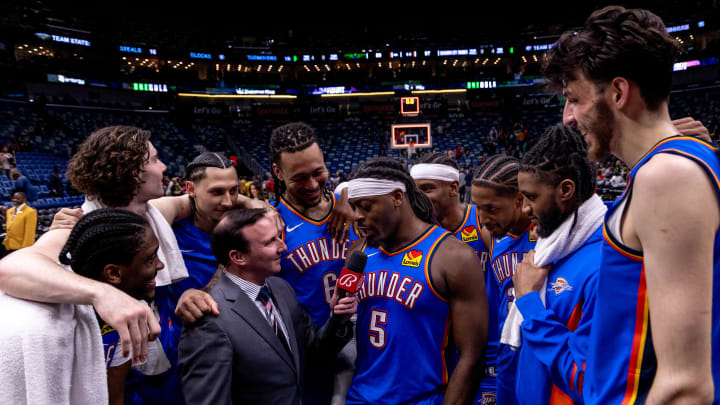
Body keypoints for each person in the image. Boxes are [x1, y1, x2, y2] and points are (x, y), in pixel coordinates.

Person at [544, 6, 720, 403]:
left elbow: (685, 386)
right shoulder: (670, 168)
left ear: (619, 93)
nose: (568, 118)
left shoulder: (667, 176)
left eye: (574, 99)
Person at [345, 157, 488, 404]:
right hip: (360, 396)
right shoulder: (357, 252)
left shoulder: (454, 257)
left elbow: (472, 355)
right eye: (353, 207)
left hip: (422, 397)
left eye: (366, 206)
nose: (357, 216)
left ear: (398, 197)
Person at [179, 208, 357, 405]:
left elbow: (315, 351)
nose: (283, 247)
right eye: (270, 242)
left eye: (278, 237)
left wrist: (338, 322)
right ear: (238, 257)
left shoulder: (281, 289)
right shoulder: (209, 319)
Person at [510, 124, 604, 403]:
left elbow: (586, 380)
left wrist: (529, 303)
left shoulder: (603, 266)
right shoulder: (551, 248)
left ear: (565, 189)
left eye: (532, 197)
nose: (525, 209)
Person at [269, 122, 358, 405]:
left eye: (318, 172)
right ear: (277, 173)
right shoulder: (271, 223)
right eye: (299, 177)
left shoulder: (357, 210)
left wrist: (347, 192)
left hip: (364, 348)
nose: (311, 184)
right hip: (308, 354)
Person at [410, 152, 497, 404]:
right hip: (438, 351)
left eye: (427, 188)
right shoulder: (417, 233)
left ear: (453, 188)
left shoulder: (480, 220)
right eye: (415, 190)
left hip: (488, 345)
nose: (420, 197)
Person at [57, 208, 165, 405]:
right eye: (150, 259)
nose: (160, 266)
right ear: (113, 274)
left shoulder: (124, 314)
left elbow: (114, 396)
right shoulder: (59, 322)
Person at [471, 154, 536, 405]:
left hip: (537, 352)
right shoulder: (493, 236)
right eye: (479, 207)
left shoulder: (547, 234)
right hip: (505, 356)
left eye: (491, 208)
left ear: (519, 200)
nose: (484, 218)